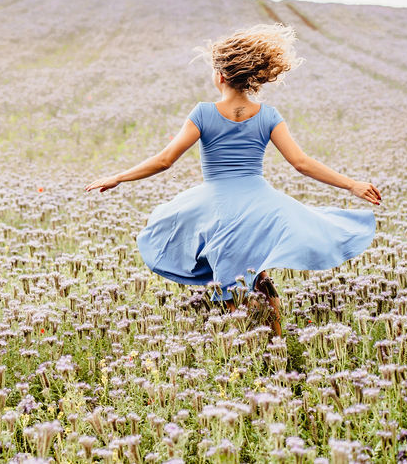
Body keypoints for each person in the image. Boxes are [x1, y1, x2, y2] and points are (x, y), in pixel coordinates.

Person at [84, 23, 381, 336]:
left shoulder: (203, 113)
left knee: (228, 278)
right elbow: (302, 163)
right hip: (261, 206)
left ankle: (241, 345)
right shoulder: (267, 115)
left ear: (220, 76)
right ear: (250, 78)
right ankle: (275, 345)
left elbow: (164, 160)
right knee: (259, 277)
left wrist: (117, 177)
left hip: (218, 207)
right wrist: (351, 184)